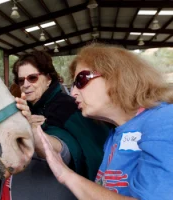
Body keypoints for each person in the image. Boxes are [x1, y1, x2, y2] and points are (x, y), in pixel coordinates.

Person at [27, 44, 173, 199]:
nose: (74, 92)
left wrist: (66, 175)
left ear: (115, 76)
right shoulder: (116, 131)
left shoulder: (164, 119)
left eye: (81, 80)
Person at [0, 51, 109, 200]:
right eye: (21, 80)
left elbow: (70, 150)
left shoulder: (69, 107)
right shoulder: (22, 107)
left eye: (32, 78)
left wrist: (36, 128)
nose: (26, 85)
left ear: (48, 79)